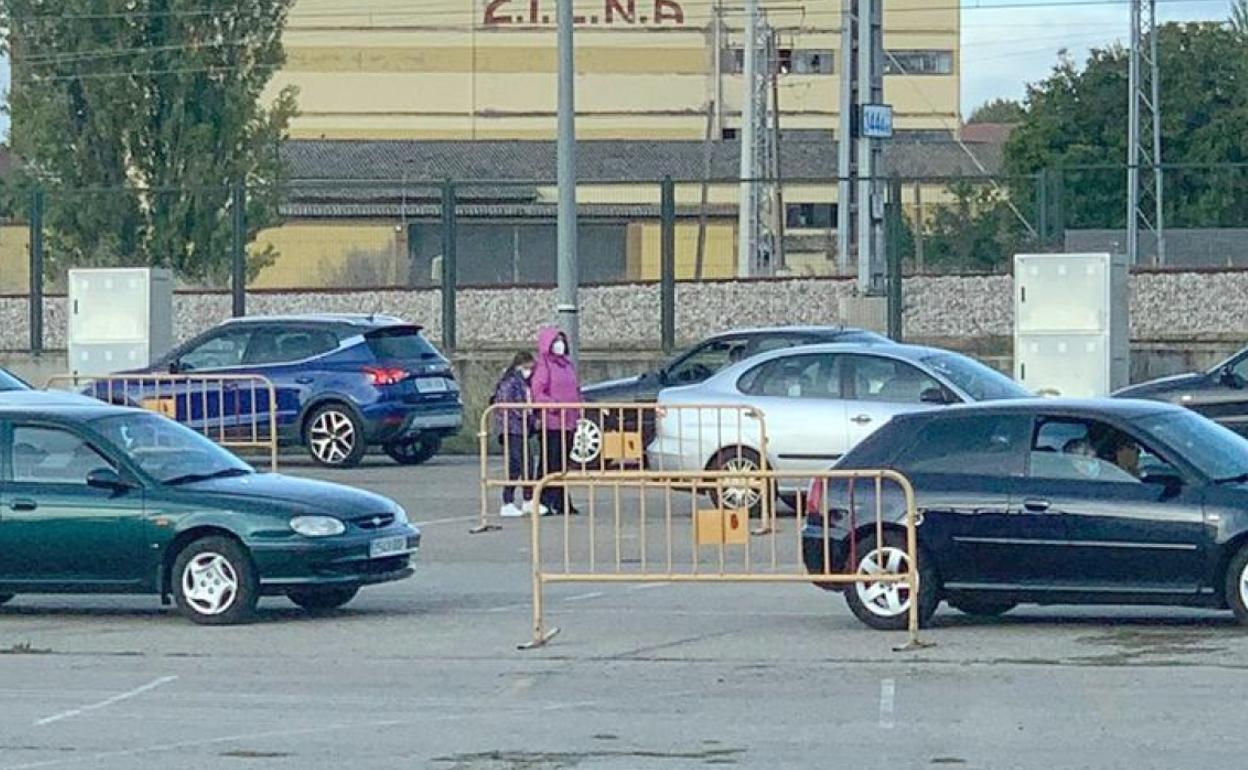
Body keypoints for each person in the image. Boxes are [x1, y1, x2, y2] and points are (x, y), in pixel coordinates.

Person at [531, 326, 582, 515]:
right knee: (549, 462)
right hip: (551, 423)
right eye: (555, 341)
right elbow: (538, 393)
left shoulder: (567, 365)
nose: (560, 345)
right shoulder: (544, 366)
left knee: (562, 464)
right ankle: (543, 500)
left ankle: (561, 501)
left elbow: (576, 390)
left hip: (569, 422)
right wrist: (553, 406)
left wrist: (579, 412)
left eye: (561, 341)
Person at [491, 352, 546, 518]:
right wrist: (526, 416)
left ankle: (527, 499)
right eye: (527, 367)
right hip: (512, 428)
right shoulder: (510, 382)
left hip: (521, 428)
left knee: (525, 463)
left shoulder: (524, 383)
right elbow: (508, 405)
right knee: (518, 464)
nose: (530, 371)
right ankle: (509, 501)